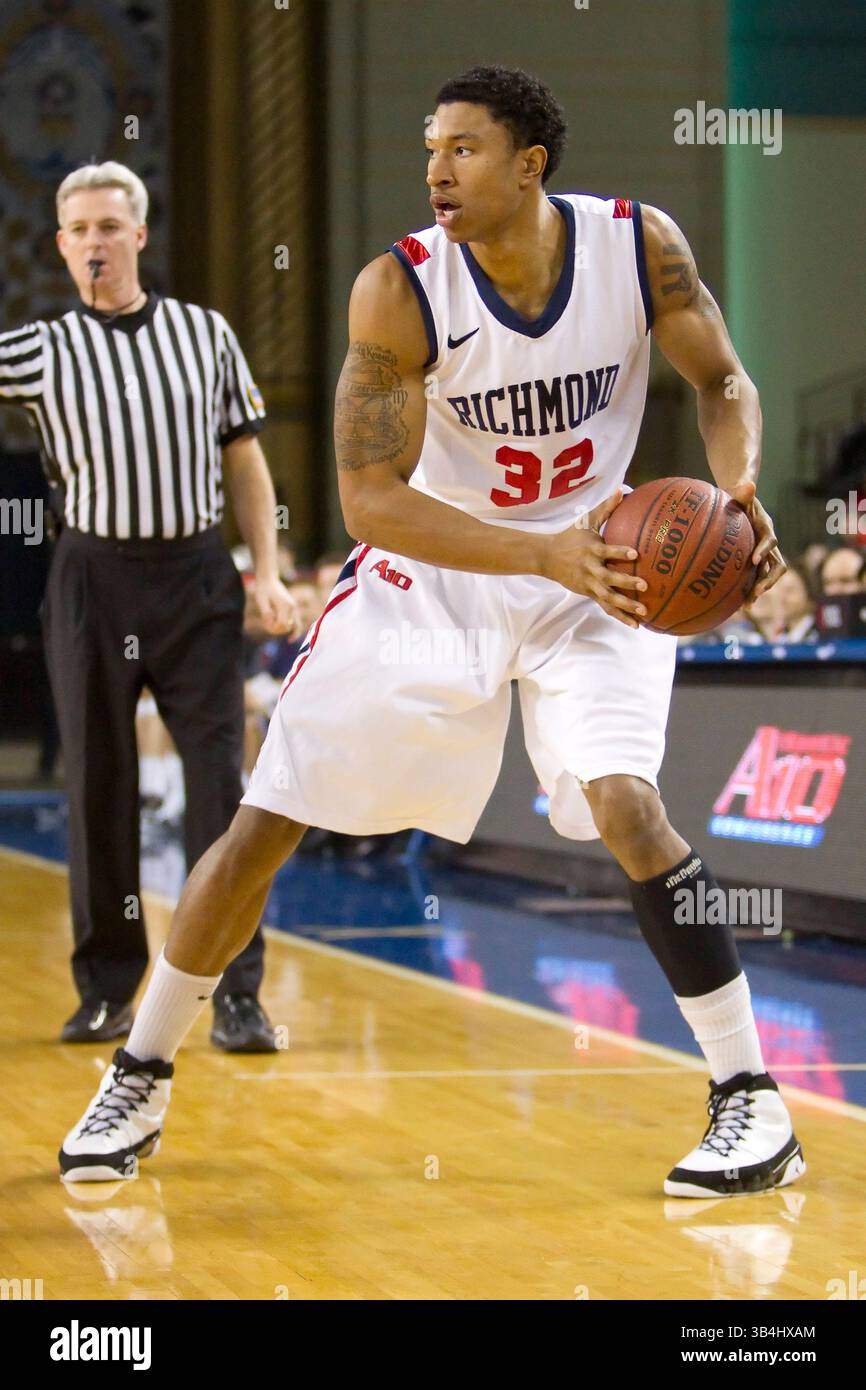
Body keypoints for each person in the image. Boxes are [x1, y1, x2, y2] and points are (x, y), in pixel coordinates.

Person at [60, 69, 803, 1199]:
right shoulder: (399, 289)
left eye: (462, 147)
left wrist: (737, 489)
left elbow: (724, 378)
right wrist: (532, 551)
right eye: (427, 148)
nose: (435, 169)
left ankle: (749, 1099)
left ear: (528, 164)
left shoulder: (635, 247)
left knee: (625, 803)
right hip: (434, 578)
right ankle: (142, 1067)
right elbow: (369, 500)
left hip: (595, 570)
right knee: (264, 821)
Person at [0, 161, 297, 1051]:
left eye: (108, 226)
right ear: (60, 246)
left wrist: (270, 572)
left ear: (138, 235)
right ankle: (105, 989)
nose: (94, 241)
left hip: (197, 578)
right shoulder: (42, 347)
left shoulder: (204, 335)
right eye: (78, 229)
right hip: (92, 579)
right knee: (97, 783)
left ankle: (235, 993)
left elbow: (245, 458)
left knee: (222, 789)